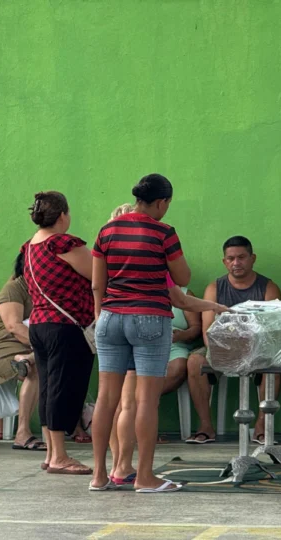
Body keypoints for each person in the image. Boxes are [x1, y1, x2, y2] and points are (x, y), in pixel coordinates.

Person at [103, 203, 226, 486]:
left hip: (111, 326)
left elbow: (97, 289)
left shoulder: (108, 258)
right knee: (139, 403)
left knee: (116, 404)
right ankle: (133, 471)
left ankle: (112, 469)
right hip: (145, 327)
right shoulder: (151, 257)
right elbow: (179, 296)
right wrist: (214, 306)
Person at [90, 173, 190, 493]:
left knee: (106, 399)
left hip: (110, 318)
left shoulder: (106, 230)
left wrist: (101, 315)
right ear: (161, 202)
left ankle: (99, 476)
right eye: (167, 204)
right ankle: (145, 477)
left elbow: (97, 283)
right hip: (149, 317)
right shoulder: (164, 232)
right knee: (146, 400)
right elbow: (183, 277)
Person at [22, 191, 95, 475]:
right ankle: (60, 457)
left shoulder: (30, 247)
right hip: (65, 326)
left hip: (40, 324)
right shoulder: (62, 243)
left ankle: (52, 453)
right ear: (63, 215)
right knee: (63, 388)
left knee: (49, 388)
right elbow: (98, 274)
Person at [185, 236, 281, 445]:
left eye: (241, 257)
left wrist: (249, 351)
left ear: (252, 258)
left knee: (276, 363)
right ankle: (205, 426)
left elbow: (272, 331)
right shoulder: (214, 288)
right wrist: (224, 352)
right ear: (224, 261)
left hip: (257, 350)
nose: (236, 263)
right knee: (194, 361)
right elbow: (207, 330)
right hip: (220, 349)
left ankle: (261, 427)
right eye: (230, 259)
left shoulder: (268, 288)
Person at [0, 253, 43, 450]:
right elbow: (14, 327)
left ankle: (27, 358)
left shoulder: (44, 291)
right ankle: (23, 434)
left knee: (66, 359)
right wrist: (46, 344)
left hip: (31, 348)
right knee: (37, 368)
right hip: (5, 350)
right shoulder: (12, 290)